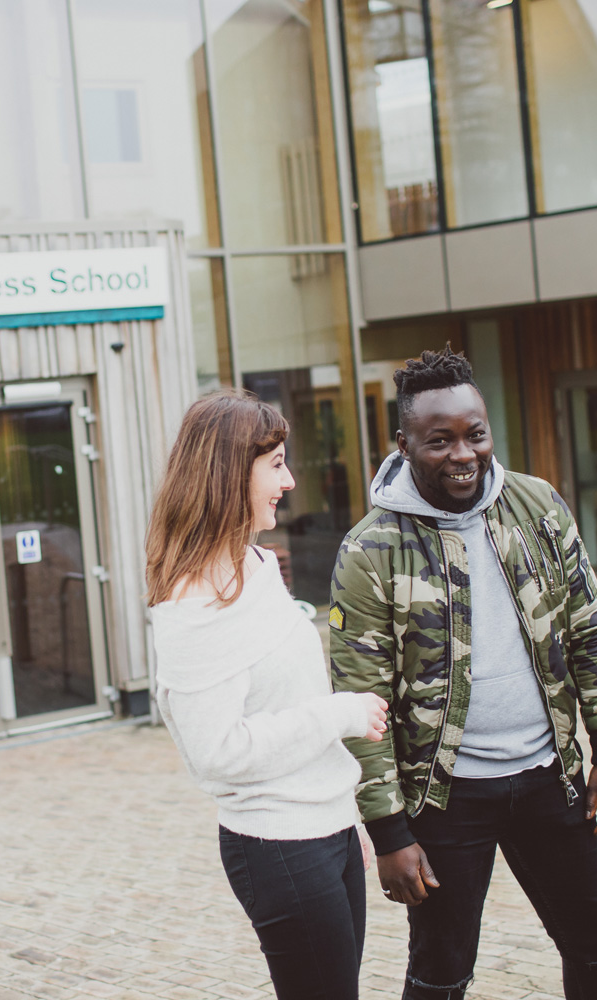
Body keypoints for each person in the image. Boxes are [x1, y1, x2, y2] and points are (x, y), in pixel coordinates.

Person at [329, 346, 597, 1000]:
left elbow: (589, 628)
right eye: (439, 441)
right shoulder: (370, 548)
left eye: (476, 435)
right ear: (404, 444)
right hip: (446, 799)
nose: (463, 454)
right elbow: (360, 695)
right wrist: (388, 831)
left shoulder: (538, 507)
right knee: (442, 974)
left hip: (549, 778)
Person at [145, 388, 388, 1000]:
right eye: (276, 463)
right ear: (229, 472)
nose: (292, 479)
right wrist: (343, 713)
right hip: (278, 847)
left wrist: (340, 813)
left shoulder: (254, 564)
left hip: (323, 831)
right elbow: (217, 752)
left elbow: (283, 697)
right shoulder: (194, 600)